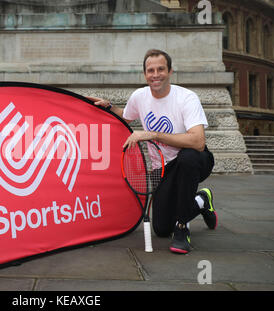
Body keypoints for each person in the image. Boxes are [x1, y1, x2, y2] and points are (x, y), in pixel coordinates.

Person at [87, 49, 217, 254]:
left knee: (188, 157)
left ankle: (182, 228)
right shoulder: (139, 96)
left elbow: (198, 141)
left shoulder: (186, 98)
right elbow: (125, 116)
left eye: (160, 69)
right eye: (150, 70)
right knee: (161, 229)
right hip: (161, 169)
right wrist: (108, 106)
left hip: (194, 161)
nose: (155, 74)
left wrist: (153, 134)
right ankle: (202, 200)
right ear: (145, 74)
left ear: (170, 71)